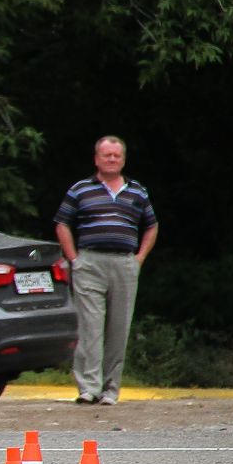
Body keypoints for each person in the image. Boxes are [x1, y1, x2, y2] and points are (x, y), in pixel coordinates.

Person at [54, 135, 159, 405]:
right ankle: (89, 388)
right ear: (96, 158)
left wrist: (139, 259)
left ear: (123, 159)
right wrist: (74, 259)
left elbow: (151, 225)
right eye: (106, 155)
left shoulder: (137, 191)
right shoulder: (80, 189)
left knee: (118, 327)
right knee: (90, 326)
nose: (112, 160)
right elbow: (62, 223)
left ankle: (110, 390)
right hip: (90, 262)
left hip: (124, 263)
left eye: (116, 156)